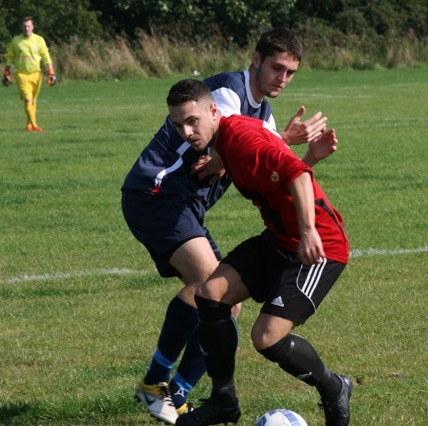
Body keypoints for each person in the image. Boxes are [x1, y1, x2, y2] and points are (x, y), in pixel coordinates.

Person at [121, 28, 337, 425]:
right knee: (210, 287)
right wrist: (286, 139)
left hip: (184, 205)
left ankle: (176, 393)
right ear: (255, 58)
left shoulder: (264, 114)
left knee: (222, 299)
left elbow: (264, 163)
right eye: (276, 67)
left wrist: (302, 154)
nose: (282, 79)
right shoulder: (226, 94)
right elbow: (227, 145)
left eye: (291, 73)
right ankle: (156, 388)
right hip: (157, 196)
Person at [168, 79, 352, 426]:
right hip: (279, 239)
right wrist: (218, 162)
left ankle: (334, 388)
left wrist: (308, 231)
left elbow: (295, 174)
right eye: (178, 124)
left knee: (266, 338)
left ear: (213, 111)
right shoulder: (227, 138)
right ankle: (224, 400)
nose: (187, 132)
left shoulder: (243, 140)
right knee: (210, 295)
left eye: (192, 121)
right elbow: (276, 163)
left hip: (319, 246)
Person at [3, 16, 56, 131]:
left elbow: (46, 56)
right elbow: (10, 57)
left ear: (33, 27)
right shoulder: (16, 41)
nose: (26, 28)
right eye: (24, 26)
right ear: (21, 27)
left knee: (33, 100)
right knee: (28, 99)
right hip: (21, 75)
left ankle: (29, 125)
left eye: (28, 26)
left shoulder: (39, 40)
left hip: (36, 74)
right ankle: (34, 124)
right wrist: (6, 72)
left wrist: (51, 72)